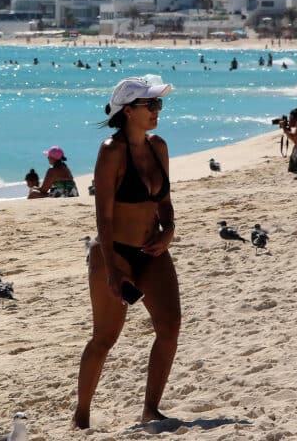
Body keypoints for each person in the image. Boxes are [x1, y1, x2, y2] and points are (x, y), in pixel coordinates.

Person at [74, 77, 178, 429]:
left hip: (152, 250)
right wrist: (112, 268)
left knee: (170, 326)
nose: (156, 111)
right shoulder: (111, 151)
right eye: (151, 105)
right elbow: (102, 214)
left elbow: (163, 200)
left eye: (158, 105)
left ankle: (151, 409)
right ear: (128, 111)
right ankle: (82, 415)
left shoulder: (158, 146)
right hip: (113, 252)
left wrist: (169, 231)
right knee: (105, 338)